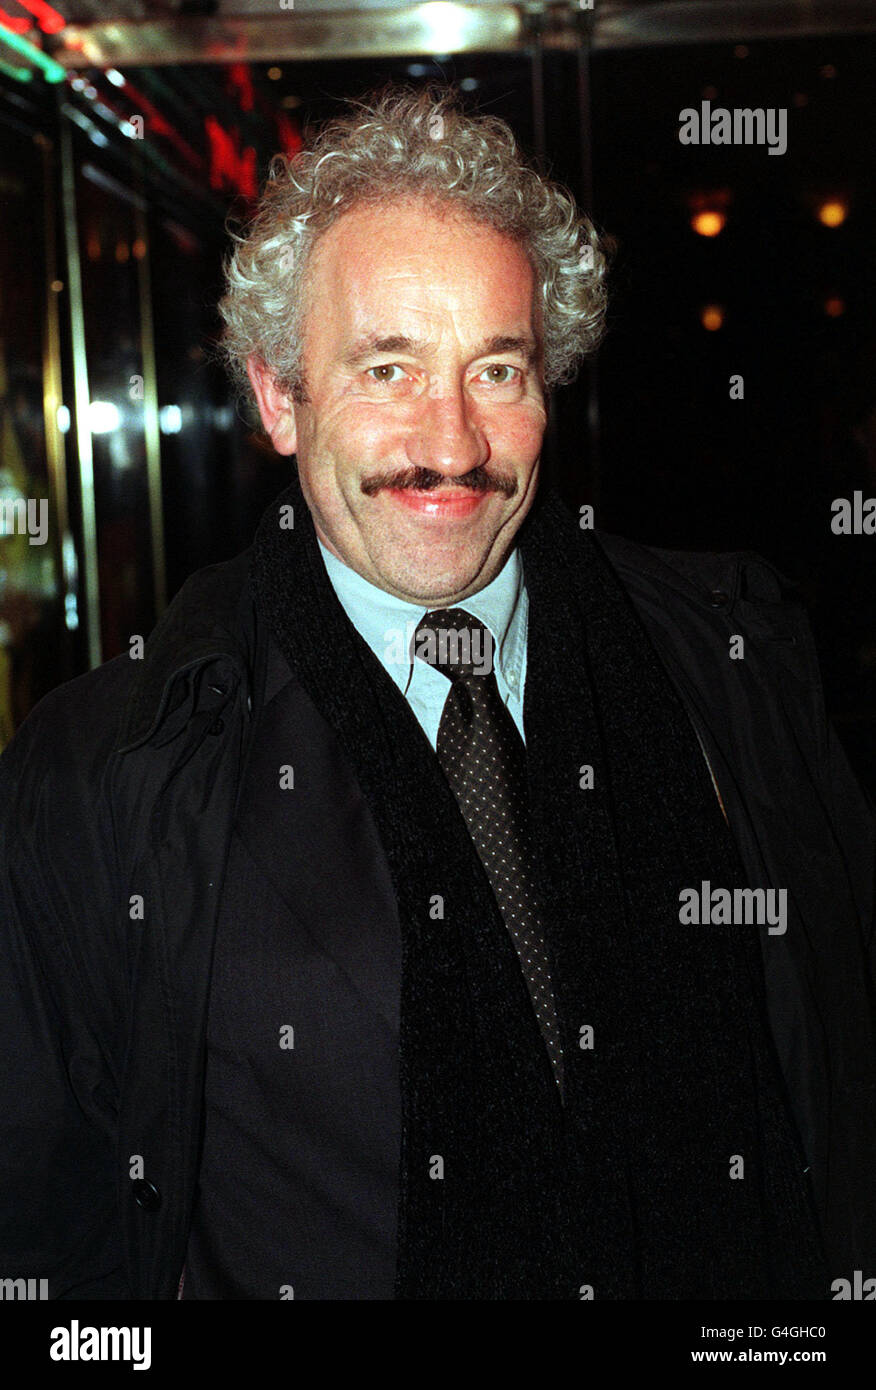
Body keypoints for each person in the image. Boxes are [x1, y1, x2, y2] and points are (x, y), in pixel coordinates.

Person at [1, 85, 874, 1302]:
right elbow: (48, 1243)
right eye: (388, 367)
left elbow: (842, 1077)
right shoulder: (102, 773)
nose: (453, 441)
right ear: (278, 395)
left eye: (498, 369)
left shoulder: (735, 669)